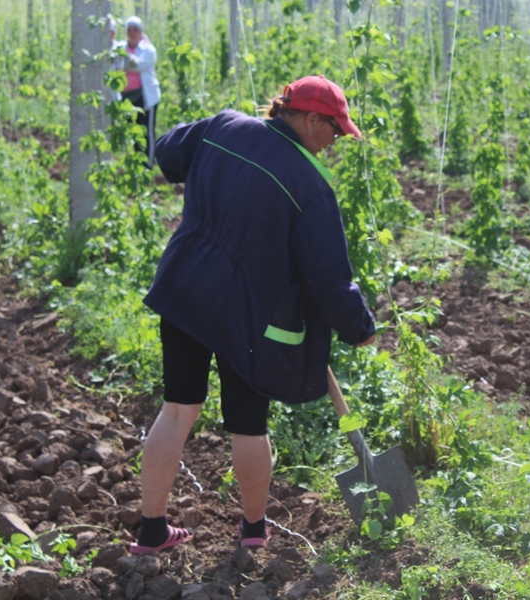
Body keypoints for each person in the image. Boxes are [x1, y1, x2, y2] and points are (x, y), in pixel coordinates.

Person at [129, 75, 375, 554]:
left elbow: (167, 154)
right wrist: (359, 329)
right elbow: (328, 277)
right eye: (335, 131)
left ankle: (151, 531)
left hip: (184, 288)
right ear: (310, 119)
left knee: (177, 411)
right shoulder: (310, 185)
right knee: (248, 425)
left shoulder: (224, 126)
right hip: (244, 314)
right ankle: (254, 532)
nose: (335, 142)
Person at [110, 15, 161, 168]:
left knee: (147, 131)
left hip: (145, 97)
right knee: (134, 132)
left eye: (135, 30)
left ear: (141, 32)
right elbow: (109, 50)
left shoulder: (148, 49)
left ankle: (148, 164)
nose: (132, 33)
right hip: (127, 98)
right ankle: (136, 165)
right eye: (129, 30)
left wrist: (122, 61)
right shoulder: (121, 48)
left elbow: (137, 65)